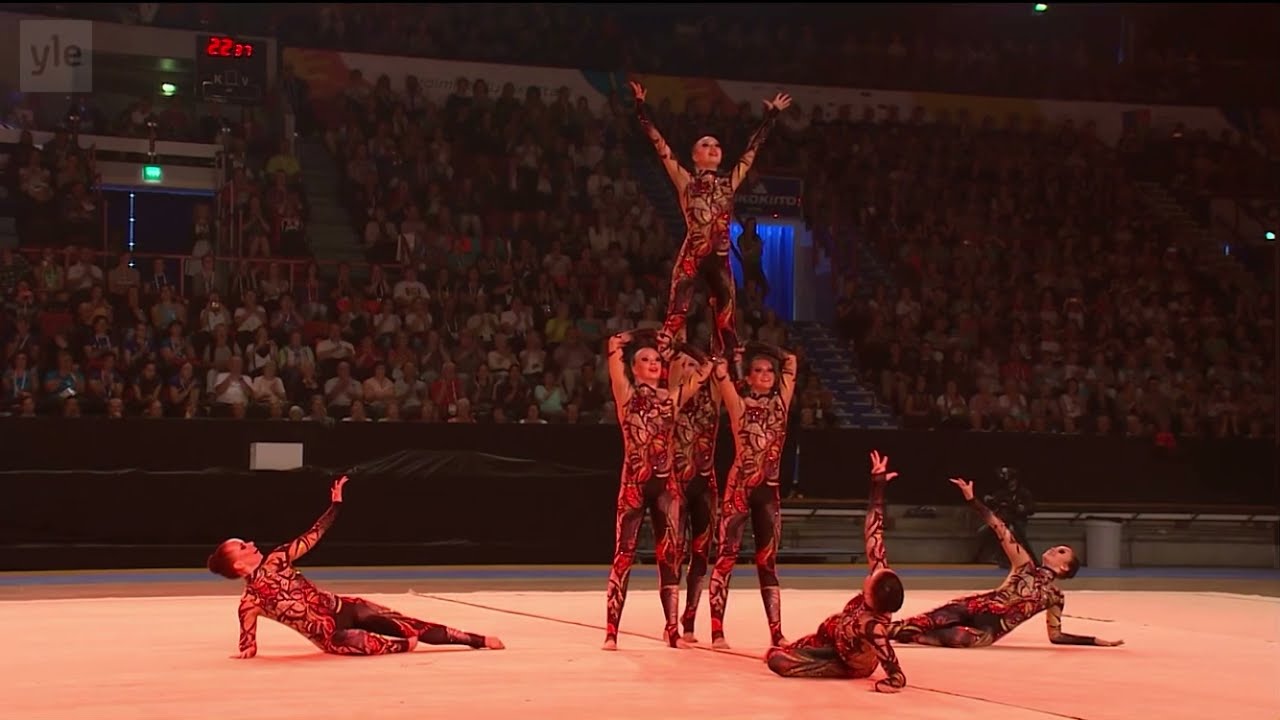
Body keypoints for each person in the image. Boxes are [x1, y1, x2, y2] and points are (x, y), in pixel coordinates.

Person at [207, 476, 505, 657]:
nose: (251, 543)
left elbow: (313, 536)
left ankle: (476, 640)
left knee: (404, 624)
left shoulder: (278, 559)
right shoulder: (250, 603)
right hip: (332, 636)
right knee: (367, 640)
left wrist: (335, 506)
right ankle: (398, 647)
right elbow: (248, 642)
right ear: (237, 564)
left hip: (343, 608)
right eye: (243, 546)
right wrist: (247, 649)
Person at [629, 80, 791, 357]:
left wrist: (771, 116)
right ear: (694, 157)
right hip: (693, 255)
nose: (713, 147)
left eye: (716, 144)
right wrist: (642, 108)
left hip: (720, 258)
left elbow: (752, 151)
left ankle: (726, 371)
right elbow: (660, 145)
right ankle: (667, 360)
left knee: (727, 324)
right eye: (705, 144)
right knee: (675, 316)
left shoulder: (729, 183)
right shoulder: (686, 182)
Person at [888, 477, 1125, 649]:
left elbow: (1056, 636)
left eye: (1061, 551)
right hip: (974, 607)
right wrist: (973, 501)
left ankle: (898, 635)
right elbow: (999, 527)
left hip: (983, 633)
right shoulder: (1025, 565)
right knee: (918, 623)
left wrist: (1094, 641)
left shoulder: (1055, 597)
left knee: (940, 636)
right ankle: (878, 630)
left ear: (1064, 568)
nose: (1054, 548)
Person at [604, 328, 713, 650]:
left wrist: (680, 344)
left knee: (670, 557)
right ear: (634, 368)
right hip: (635, 484)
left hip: (666, 486)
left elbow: (705, 369)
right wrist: (645, 334)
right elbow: (614, 345)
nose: (652, 363)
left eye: (655, 359)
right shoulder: (626, 393)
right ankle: (612, 630)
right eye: (645, 359)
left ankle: (671, 629)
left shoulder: (673, 397)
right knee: (623, 555)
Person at [765, 450, 907, 693]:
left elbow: (896, 673)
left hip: (845, 662)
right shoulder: (880, 585)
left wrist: (890, 682)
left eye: (872, 579)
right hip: (834, 636)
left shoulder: (873, 627)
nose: (871, 573)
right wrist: (877, 488)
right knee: (781, 651)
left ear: (872, 598)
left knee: (777, 660)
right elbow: (874, 531)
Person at [706, 342, 798, 649]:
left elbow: (791, 361)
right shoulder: (739, 404)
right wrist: (727, 359)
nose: (766, 374)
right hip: (739, 490)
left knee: (767, 563)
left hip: (768, 492)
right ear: (749, 376)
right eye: (758, 370)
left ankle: (776, 631)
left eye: (769, 370)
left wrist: (763, 349)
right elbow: (721, 376)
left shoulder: (781, 404)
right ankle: (717, 630)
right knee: (726, 557)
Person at [668, 338, 722, 643]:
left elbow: (713, 368)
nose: (693, 371)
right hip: (675, 485)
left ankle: (690, 619)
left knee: (701, 555)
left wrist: (700, 359)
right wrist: (682, 359)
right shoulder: (672, 396)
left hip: (704, 484)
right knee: (673, 553)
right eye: (686, 365)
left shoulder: (712, 396)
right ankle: (671, 621)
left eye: (696, 366)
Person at [975, 467, 1035, 566]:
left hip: (1017, 520)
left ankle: (1026, 558)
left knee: (1014, 533)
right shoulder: (1002, 493)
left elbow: (1031, 508)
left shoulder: (1023, 493)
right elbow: (993, 504)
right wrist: (989, 500)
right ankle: (989, 557)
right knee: (985, 531)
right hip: (1003, 520)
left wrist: (1023, 509)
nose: (1010, 483)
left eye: (1012, 480)